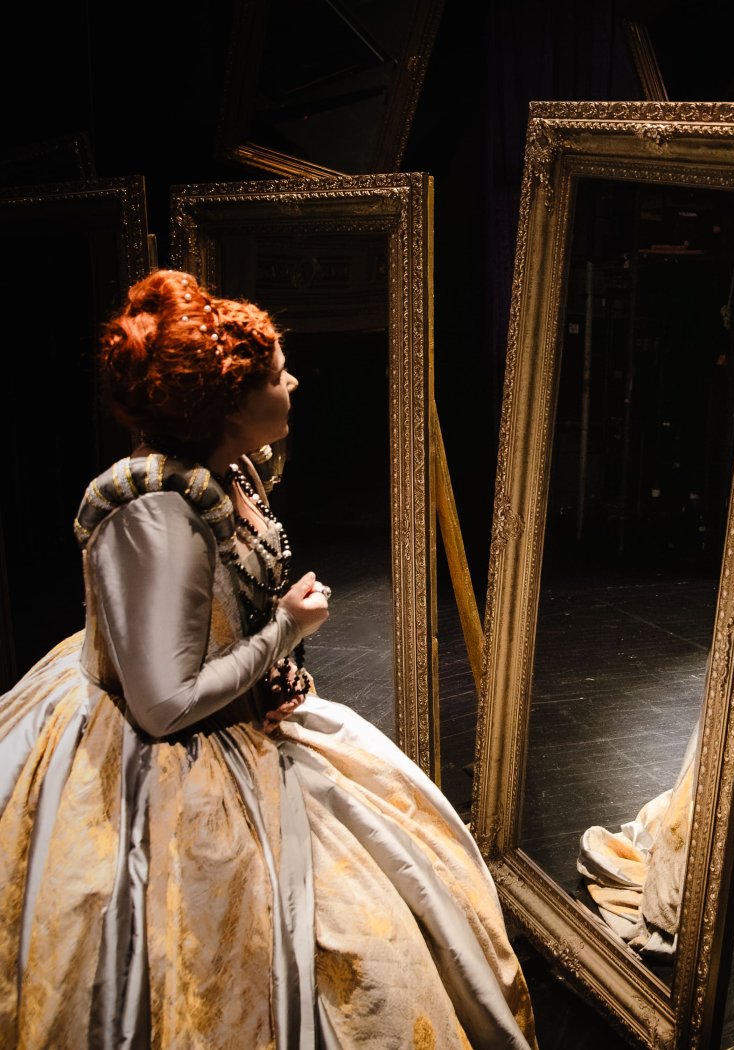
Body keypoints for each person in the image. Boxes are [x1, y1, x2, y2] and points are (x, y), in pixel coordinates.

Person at [0, 271, 536, 1049]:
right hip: (170, 759)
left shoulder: (234, 469)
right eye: (277, 375)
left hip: (246, 715)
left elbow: (219, 621)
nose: (293, 383)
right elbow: (163, 706)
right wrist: (282, 632)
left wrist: (270, 656)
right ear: (230, 405)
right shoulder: (157, 515)